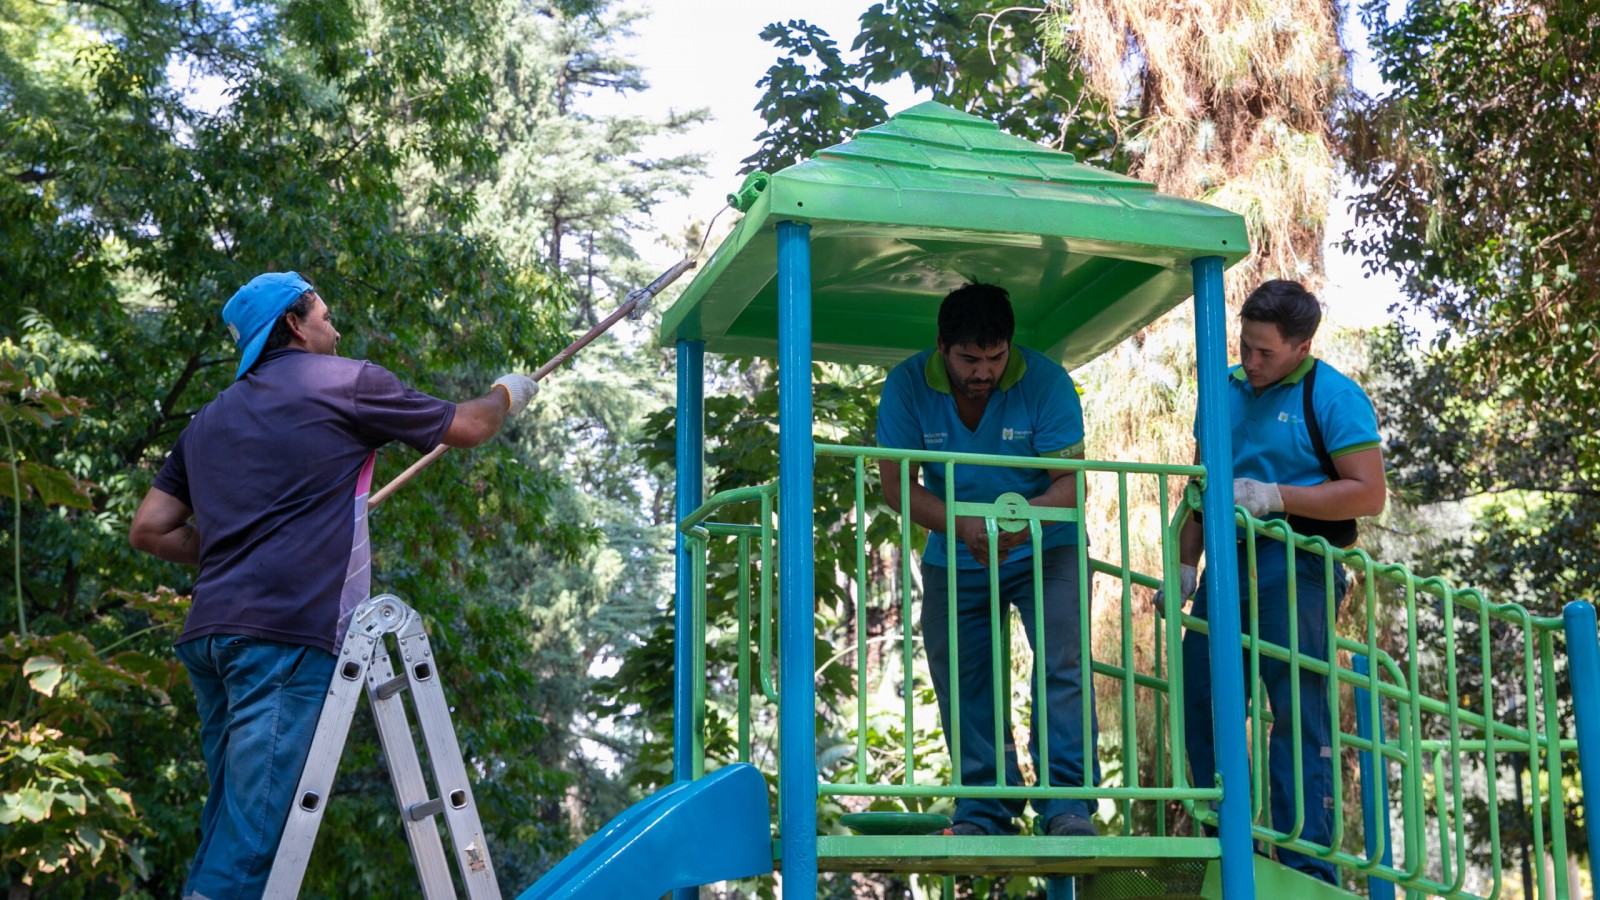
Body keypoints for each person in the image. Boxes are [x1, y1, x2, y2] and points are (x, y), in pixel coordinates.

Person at [128, 271, 539, 900]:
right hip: (281, 639)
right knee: (255, 838)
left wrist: (247, 535)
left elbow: (150, 529)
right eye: (325, 316)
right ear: (293, 324)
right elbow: (469, 427)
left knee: (233, 816)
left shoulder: (209, 420)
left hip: (211, 638)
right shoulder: (345, 382)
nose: (336, 328)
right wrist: (508, 393)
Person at [1174, 279, 1386, 884]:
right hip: (1226, 563)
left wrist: (1277, 497)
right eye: (1246, 345)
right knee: (1203, 696)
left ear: (1302, 346)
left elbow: (1369, 493)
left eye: (1266, 351)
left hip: (1298, 564)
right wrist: (1186, 563)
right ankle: (1219, 841)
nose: (1252, 360)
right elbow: (1201, 483)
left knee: (1296, 708)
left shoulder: (1334, 396)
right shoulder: (1226, 389)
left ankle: (1305, 859)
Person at [876, 282, 1099, 838]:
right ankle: (984, 809)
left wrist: (1018, 522)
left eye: (996, 358)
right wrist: (965, 526)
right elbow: (897, 486)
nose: (983, 372)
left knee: (1062, 665)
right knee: (963, 674)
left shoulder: (1046, 381)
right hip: (955, 550)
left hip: (1048, 548)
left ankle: (1067, 804)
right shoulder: (906, 384)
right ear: (941, 346)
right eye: (969, 359)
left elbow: (1070, 490)